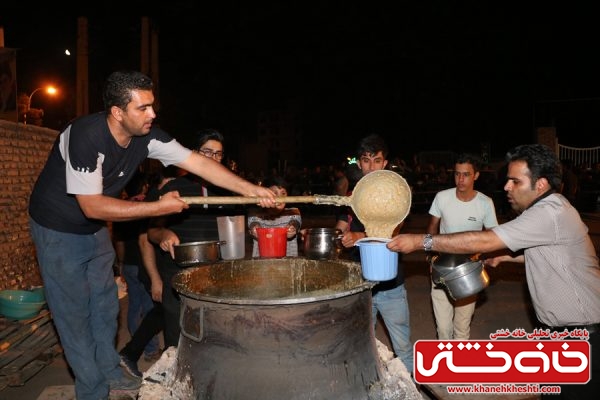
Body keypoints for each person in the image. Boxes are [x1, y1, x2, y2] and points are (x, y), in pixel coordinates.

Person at [27, 71, 276, 400]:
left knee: (104, 306)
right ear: (118, 112)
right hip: (57, 229)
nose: (153, 114)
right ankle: (92, 390)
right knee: (73, 315)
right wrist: (158, 208)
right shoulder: (85, 136)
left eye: (152, 106)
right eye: (143, 108)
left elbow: (199, 164)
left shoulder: (148, 137)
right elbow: (92, 207)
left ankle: (109, 370)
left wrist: (251, 190)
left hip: (94, 229)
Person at [388, 143, 600, 398]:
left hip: (581, 336)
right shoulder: (549, 210)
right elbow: (551, 255)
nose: (506, 187)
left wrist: (421, 241)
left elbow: (484, 240)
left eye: (515, 182)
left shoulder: (548, 213)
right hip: (559, 333)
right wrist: (506, 258)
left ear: (541, 184)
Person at [118, 128, 240, 378]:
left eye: (219, 154)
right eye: (207, 152)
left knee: (209, 331)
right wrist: (164, 236)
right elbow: (152, 232)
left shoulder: (226, 192)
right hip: (177, 274)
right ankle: (173, 380)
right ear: (194, 154)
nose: (213, 158)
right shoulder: (175, 188)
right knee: (176, 336)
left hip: (214, 274)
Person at [334, 133, 414, 374]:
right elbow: (340, 228)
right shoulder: (351, 199)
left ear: (385, 163)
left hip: (391, 285)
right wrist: (334, 237)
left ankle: (415, 390)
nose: (371, 167)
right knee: (360, 345)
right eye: (366, 160)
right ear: (358, 163)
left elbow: (393, 233)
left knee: (403, 348)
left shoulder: (396, 195)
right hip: (360, 286)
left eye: (376, 160)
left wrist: (358, 238)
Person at [427, 153, 498, 340]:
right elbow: (432, 228)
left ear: (476, 175)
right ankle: (445, 366)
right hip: (441, 266)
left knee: (461, 329)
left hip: (468, 271)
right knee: (443, 330)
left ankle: (459, 367)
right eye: (457, 174)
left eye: (466, 174)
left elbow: (493, 237)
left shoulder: (485, 203)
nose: (460, 179)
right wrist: (430, 255)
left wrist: (484, 256)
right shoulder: (442, 197)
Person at [112, 170, 161, 363]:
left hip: (131, 265)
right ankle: (151, 349)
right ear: (144, 186)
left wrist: (122, 264)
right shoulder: (148, 207)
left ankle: (143, 347)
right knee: (150, 308)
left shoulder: (120, 210)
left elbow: (120, 243)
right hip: (146, 265)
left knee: (134, 307)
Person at [248, 175, 302, 257]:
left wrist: (293, 228)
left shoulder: (293, 213)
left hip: (288, 264)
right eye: (274, 193)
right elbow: (253, 223)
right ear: (264, 195)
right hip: (262, 264)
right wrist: (255, 228)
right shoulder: (256, 215)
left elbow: (295, 222)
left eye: (283, 193)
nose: (279, 198)